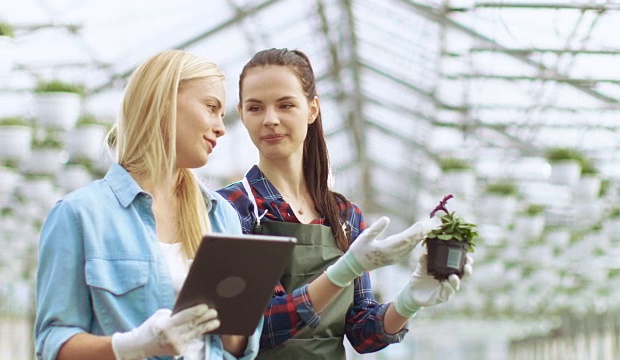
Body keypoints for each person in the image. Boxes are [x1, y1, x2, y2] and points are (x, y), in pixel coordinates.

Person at [216, 48, 473, 360]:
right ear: (241, 113)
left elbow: (363, 335)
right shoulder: (232, 208)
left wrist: (409, 301)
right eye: (256, 108)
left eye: (286, 105)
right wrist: (346, 268)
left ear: (312, 110)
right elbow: (255, 329)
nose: (270, 120)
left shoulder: (343, 216)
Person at [34, 49, 261, 360]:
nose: (221, 126)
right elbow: (51, 344)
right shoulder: (79, 215)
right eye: (211, 108)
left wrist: (237, 307)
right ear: (163, 102)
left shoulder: (221, 216)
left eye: (222, 114)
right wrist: (133, 345)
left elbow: (236, 348)